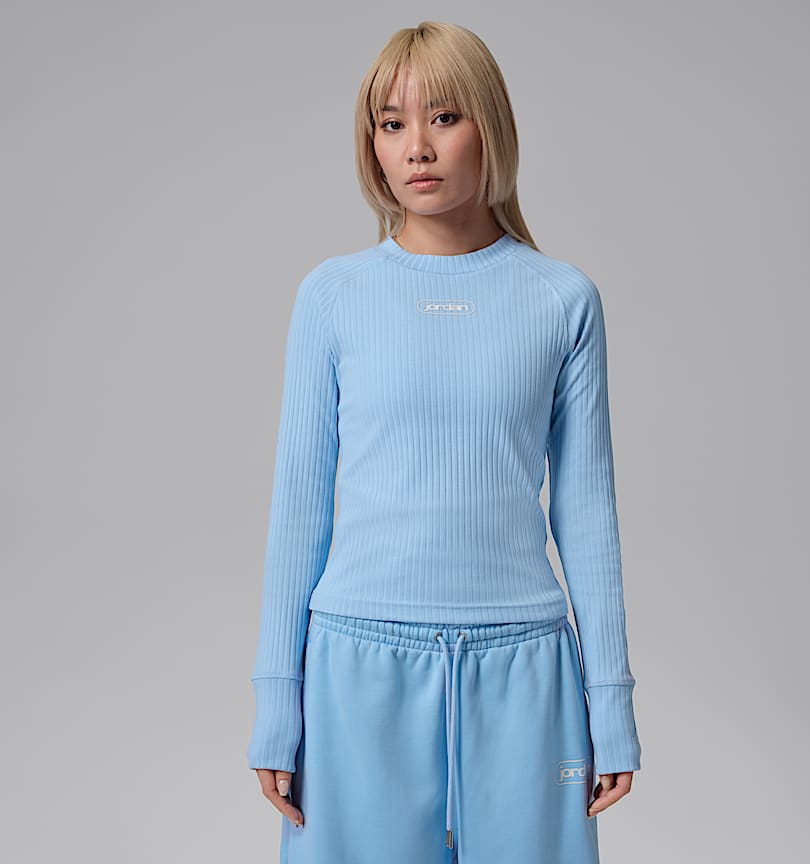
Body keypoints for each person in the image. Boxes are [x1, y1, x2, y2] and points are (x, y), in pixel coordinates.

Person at [246, 20, 642, 864]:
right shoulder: (332, 298)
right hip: (356, 668)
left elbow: (587, 515)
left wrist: (610, 698)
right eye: (392, 124)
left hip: (525, 671)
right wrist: (277, 701)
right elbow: (299, 510)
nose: (417, 147)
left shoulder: (562, 299)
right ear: (372, 144)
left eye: (445, 117)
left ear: (490, 125)